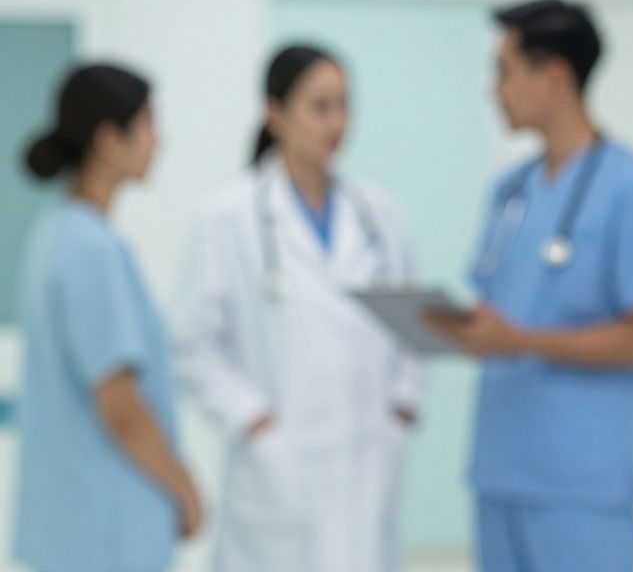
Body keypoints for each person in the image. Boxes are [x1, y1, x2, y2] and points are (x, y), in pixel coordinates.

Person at [425, 0, 633, 572]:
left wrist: (521, 340)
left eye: (505, 72)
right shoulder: (511, 190)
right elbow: (499, 310)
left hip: (580, 485)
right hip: (499, 471)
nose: (495, 91)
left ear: (554, 76)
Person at [176, 45, 423, 572]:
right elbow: (193, 348)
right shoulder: (228, 218)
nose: (337, 123)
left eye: (344, 106)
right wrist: (255, 422)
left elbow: (412, 329)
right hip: (278, 471)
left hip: (367, 460)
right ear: (274, 113)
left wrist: (401, 409)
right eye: (320, 106)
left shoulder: (380, 216)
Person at [14, 63, 201, 572]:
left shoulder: (54, 233)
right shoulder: (89, 249)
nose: (157, 142)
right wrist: (184, 486)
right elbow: (120, 406)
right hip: (106, 532)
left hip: (72, 529)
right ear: (107, 139)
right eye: (146, 125)